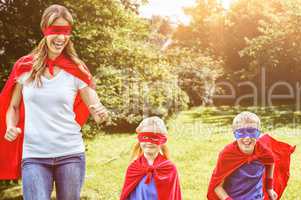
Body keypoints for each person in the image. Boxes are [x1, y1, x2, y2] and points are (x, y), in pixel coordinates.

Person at [0, 4, 108, 199]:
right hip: (34, 155)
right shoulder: (25, 67)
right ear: (45, 31)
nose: (60, 38)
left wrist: (100, 113)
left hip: (70, 154)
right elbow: (13, 106)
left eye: (65, 31)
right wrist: (10, 125)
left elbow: (95, 106)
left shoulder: (76, 69)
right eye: (55, 31)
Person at [207, 111, 295, 200]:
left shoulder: (263, 150)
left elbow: (270, 162)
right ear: (234, 134)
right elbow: (217, 185)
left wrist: (269, 188)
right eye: (241, 132)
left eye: (252, 131)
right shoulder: (227, 154)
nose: (247, 137)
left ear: (258, 133)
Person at [120, 117, 182, 200]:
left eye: (155, 138)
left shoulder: (169, 169)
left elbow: (173, 196)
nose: (149, 142)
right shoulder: (134, 167)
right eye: (145, 137)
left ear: (162, 142)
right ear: (139, 140)